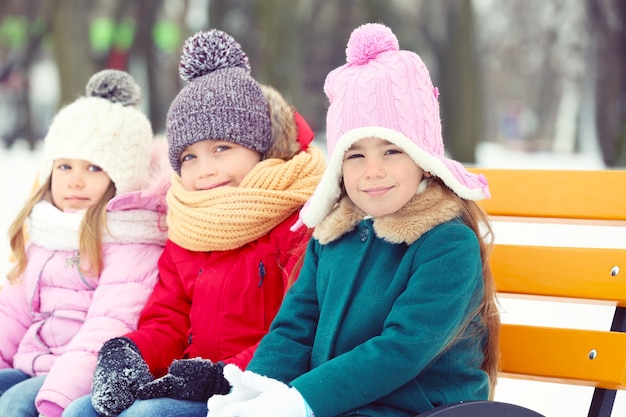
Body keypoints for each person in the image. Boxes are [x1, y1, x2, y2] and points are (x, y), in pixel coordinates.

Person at [206, 22, 501, 417]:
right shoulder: (333, 236)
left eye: (392, 151)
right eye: (355, 154)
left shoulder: (446, 244)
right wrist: (259, 391)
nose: (372, 171)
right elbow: (295, 326)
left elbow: (400, 349)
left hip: (423, 409)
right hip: (342, 405)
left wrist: (300, 402)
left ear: (425, 161)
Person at [62, 29, 326, 417]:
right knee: (80, 411)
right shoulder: (188, 229)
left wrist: (223, 376)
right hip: (189, 380)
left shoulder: (296, 222)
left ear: (259, 149)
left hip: (255, 388)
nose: (205, 170)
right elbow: (167, 319)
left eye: (222, 148)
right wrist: (130, 350)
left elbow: (300, 328)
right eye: (189, 157)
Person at [0, 69, 169, 417]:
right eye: (64, 167)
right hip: (33, 364)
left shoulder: (132, 241)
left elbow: (107, 328)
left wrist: (58, 396)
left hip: (79, 379)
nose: (75, 181)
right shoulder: (49, 233)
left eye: (94, 168)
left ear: (121, 177)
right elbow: (12, 314)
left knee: (15, 405)